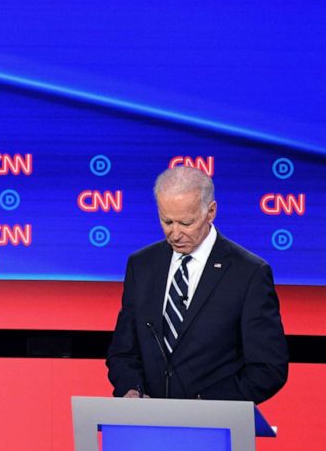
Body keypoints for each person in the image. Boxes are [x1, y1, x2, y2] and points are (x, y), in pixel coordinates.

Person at [106, 166, 288, 403]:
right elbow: (123, 351)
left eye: (186, 223)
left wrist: (206, 405)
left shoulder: (249, 273)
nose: (175, 234)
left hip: (215, 425)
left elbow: (268, 368)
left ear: (210, 212)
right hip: (146, 423)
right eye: (167, 221)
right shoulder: (141, 265)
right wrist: (132, 389)